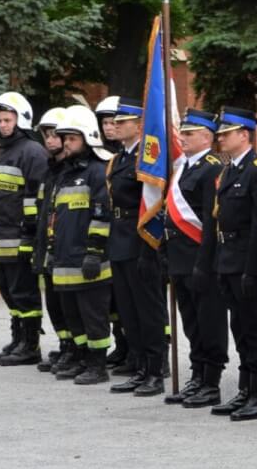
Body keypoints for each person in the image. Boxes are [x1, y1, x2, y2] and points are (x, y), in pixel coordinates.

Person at [209, 106, 257, 421]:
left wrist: (254, 270)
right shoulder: (231, 169)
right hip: (228, 258)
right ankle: (246, 389)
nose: (220, 138)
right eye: (219, 134)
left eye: (226, 133)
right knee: (239, 327)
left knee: (253, 327)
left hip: (246, 260)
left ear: (244, 134)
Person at [164, 111, 229, 408]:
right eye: (183, 133)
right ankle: (197, 373)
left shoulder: (211, 169)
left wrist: (204, 263)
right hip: (179, 259)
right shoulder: (183, 168)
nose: (183, 138)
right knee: (191, 322)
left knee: (209, 321)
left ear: (207, 137)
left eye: (189, 134)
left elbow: (210, 221)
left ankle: (211, 381)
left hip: (200, 260)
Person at [104, 97, 169, 397]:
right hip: (119, 238)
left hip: (141, 237)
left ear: (139, 125)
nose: (116, 126)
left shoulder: (150, 157)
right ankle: (140, 366)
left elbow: (155, 200)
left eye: (122, 122)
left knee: (148, 309)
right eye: (115, 122)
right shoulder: (118, 159)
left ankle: (155, 370)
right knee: (129, 311)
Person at [46, 106, 116, 386]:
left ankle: (98, 365)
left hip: (89, 261)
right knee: (74, 316)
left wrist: (94, 253)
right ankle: (84, 358)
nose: (66, 143)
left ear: (87, 137)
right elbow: (54, 217)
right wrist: (51, 250)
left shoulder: (97, 172)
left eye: (72, 138)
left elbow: (102, 215)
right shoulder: (64, 174)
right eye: (65, 138)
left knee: (94, 316)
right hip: (64, 260)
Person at [0, 93, 49, 365]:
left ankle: (31, 346)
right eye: (0, 119)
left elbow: (36, 197)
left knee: (23, 290)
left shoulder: (32, 152)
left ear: (21, 120)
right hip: (0, 235)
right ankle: (18, 338)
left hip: (18, 235)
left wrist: (28, 236)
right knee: (8, 288)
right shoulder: (5, 151)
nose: (3, 124)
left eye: (8, 119)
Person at [32, 110, 74, 372]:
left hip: (66, 248)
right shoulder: (50, 170)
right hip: (47, 245)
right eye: (46, 135)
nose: (50, 140)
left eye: (55, 135)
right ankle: (65, 344)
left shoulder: (70, 171)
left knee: (67, 301)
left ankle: (74, 348)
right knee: (54, 302)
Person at [95, 97, 133, 373]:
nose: (110, 128)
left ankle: (145, 359)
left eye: (115, 122)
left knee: (138, 303)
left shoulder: (135, 157)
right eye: (106, 123)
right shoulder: (114, 158)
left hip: (133, 238)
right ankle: (127, 350)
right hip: (116, 236)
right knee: (120, 302)